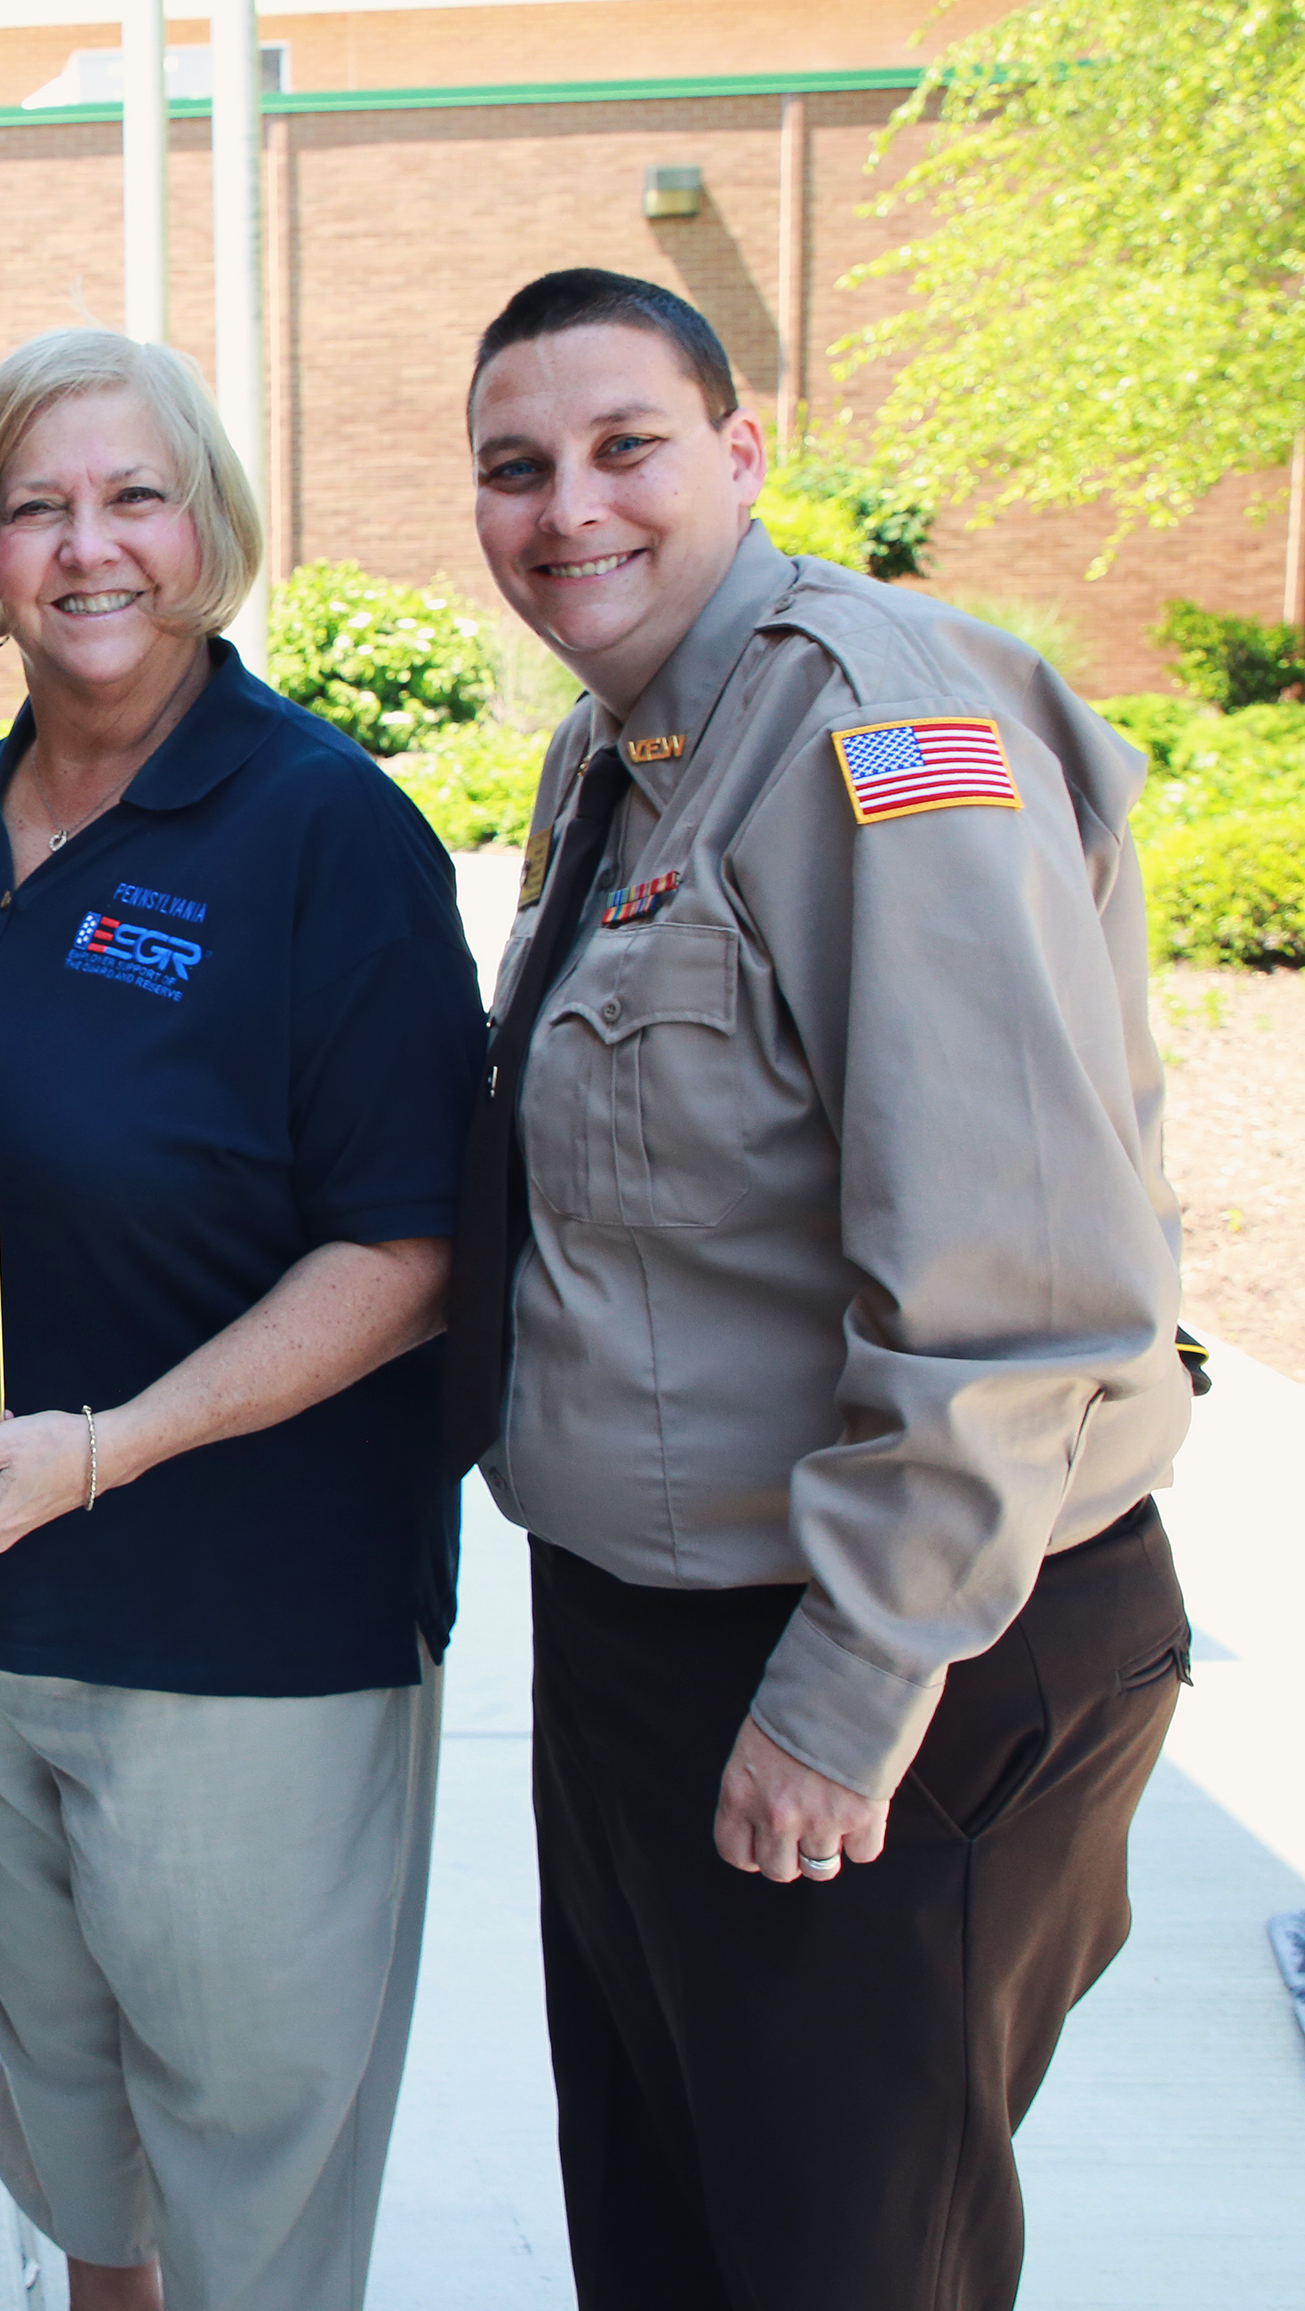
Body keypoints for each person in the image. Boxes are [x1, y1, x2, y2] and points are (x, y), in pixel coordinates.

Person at [447, 267, 1192, 2310]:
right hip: (652, 1637)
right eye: (515, 468)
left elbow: (1025, 1271)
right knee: (674, 2243)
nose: (566, 510)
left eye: (625, 449)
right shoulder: (630, 748)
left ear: (744, 448)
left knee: (845, 2271)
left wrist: (850, 1697)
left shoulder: (883, 721)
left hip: (884, 1657)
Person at [0, 327, 482, 2311]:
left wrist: (112, 1445)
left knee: (247, 2158)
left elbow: (412, 1248)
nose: (86, 545)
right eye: (37, 505)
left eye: (133, 496)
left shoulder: (319, 831)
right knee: (80, 2124)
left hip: (240, 1632)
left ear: (207, 533)